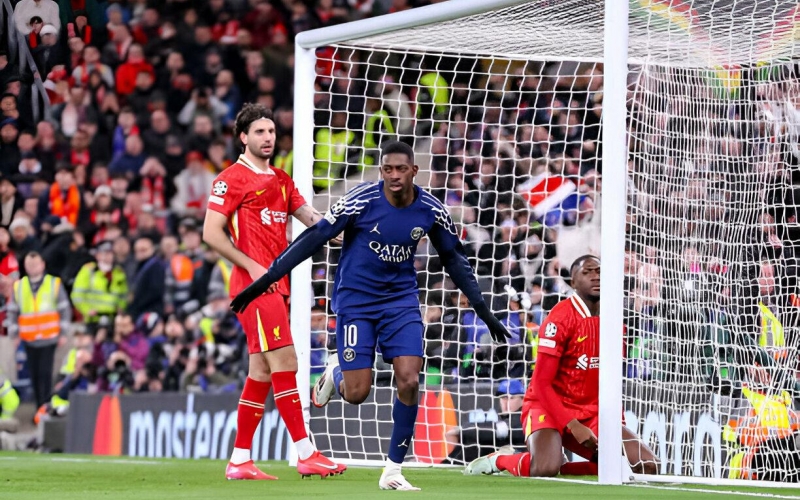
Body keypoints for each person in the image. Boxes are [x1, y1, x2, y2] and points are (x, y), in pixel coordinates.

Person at [231, 140, 510, 491]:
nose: (394, 176)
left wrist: (482, 309)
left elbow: (455, 260)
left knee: (409, 379)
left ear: (414, 171)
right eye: (387, 169)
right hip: (357, 304)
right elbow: (315, 237)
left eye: (401, 169)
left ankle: (393, 470)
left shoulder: (431, 210)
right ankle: (337, 370)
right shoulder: (360, 201)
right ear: (382, 171)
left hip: (401, 303)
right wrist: (269, 277)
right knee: (358, 393)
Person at [202, 103, 344, 480]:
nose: (268, 138)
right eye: (260, 132)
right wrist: (249, 265)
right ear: (243, 137)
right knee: (287, 363)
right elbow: (210, 232)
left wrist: (347, 231)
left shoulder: (281, 179)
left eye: (271, 132)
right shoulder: (230, 179)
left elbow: (312, 220)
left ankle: (239, 460)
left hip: (276, 285)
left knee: (261, 373)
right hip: (253, 287)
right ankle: (306, 453)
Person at [464, 255, 659, 477]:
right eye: (587, 272)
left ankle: (558, 463)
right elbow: (540, 384)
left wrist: (615, 423)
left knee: (645, 465)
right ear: (573, 282)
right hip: (548, 408)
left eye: (598, 271)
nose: (595, 277)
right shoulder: (560, 318)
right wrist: (573, 425)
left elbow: (611, 381)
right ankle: (500, 460)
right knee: (545, 468)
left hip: (591, 414)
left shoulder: (615, 321)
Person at [6, 251, 71, 408]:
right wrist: (15, 334)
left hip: (49, 337)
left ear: (42, 265)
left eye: (35, 264)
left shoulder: (53, 283)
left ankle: (45, 406)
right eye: (29, 265)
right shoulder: (20, 286)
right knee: (34, 375)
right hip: (29, 338)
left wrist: (63, 333)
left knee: (45, 374)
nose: (32, 267)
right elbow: (13, 311)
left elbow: (64, 309)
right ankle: (38, 407)